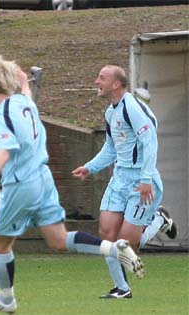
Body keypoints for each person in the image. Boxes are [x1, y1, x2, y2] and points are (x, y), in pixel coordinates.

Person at [0, 56, 144, 314]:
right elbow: (25, 88)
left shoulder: (0, 114)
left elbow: (5, 149)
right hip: (44, 179)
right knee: (58, 240)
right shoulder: (24, 102)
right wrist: (18, 74)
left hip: (21, 184)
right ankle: (113, 249)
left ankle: (6, 299)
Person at [72, 65, 174, 299]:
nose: (97, 81)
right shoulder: (110, 112)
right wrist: (90, 167)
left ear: (116, 84)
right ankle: (122, 289)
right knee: (106, 233)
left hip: (141, 180)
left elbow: (150, 142)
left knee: (127, 244)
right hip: (119, 179)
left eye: (102, 78)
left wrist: (147, 178)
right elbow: (110, 148)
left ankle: (160, 219)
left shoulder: (132, 108)